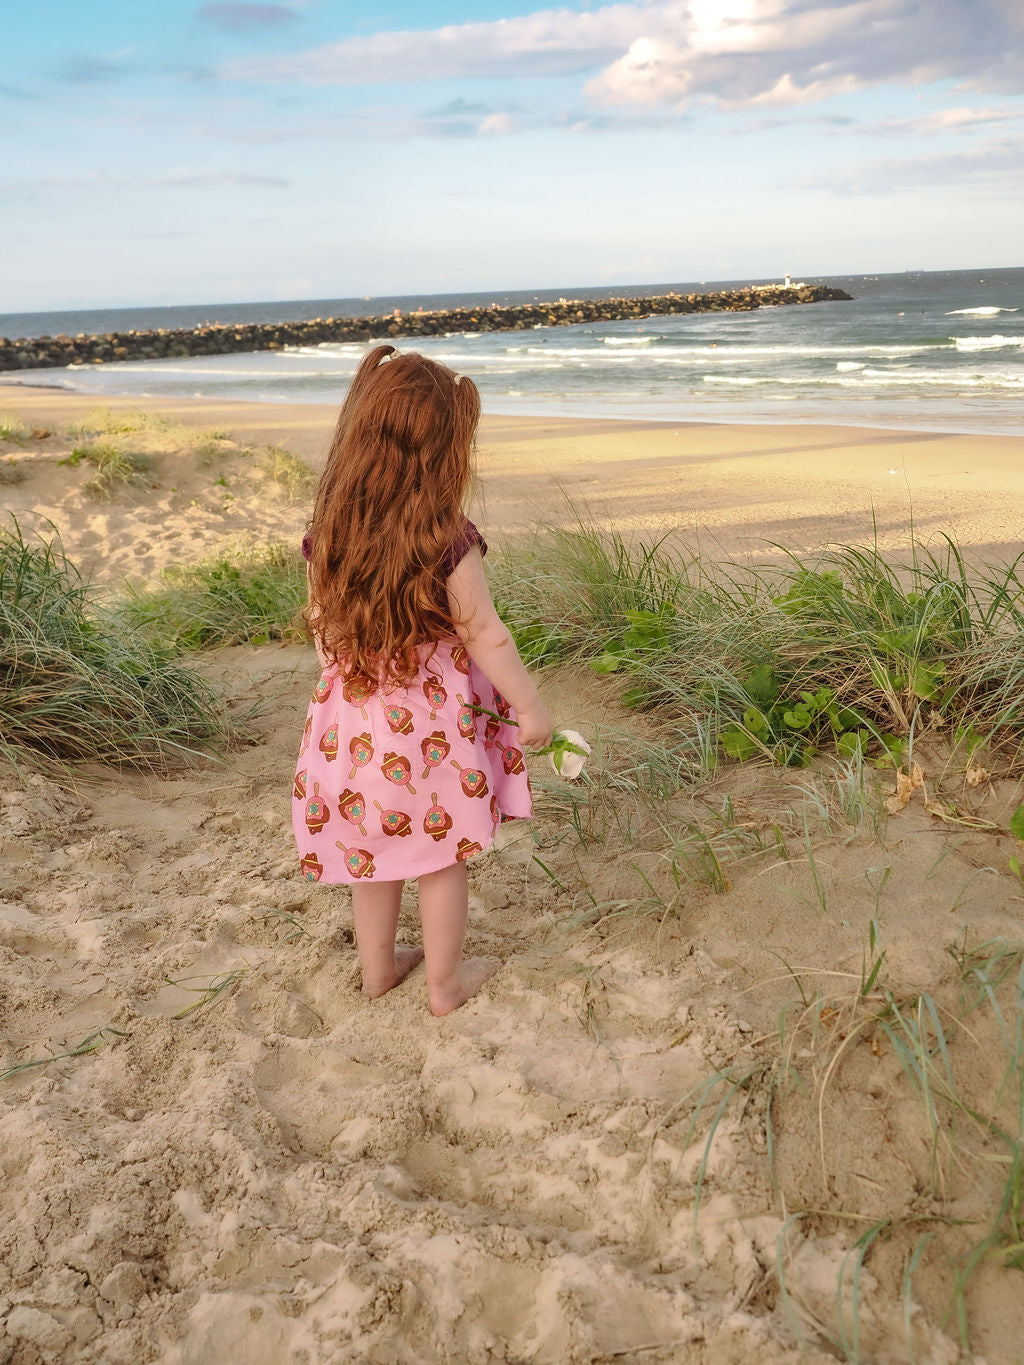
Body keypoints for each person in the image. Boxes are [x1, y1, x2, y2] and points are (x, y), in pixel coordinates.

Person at [293, 345, 553, 1015]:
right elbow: (485, 632)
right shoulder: (445, 537)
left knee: (369, 850)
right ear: (442, 453)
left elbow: (323, 626)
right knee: (440, 855)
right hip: (430, 730)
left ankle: (377, 970)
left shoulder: (332, 531)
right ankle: (445, 985)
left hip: (351, 724)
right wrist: (530, 708)